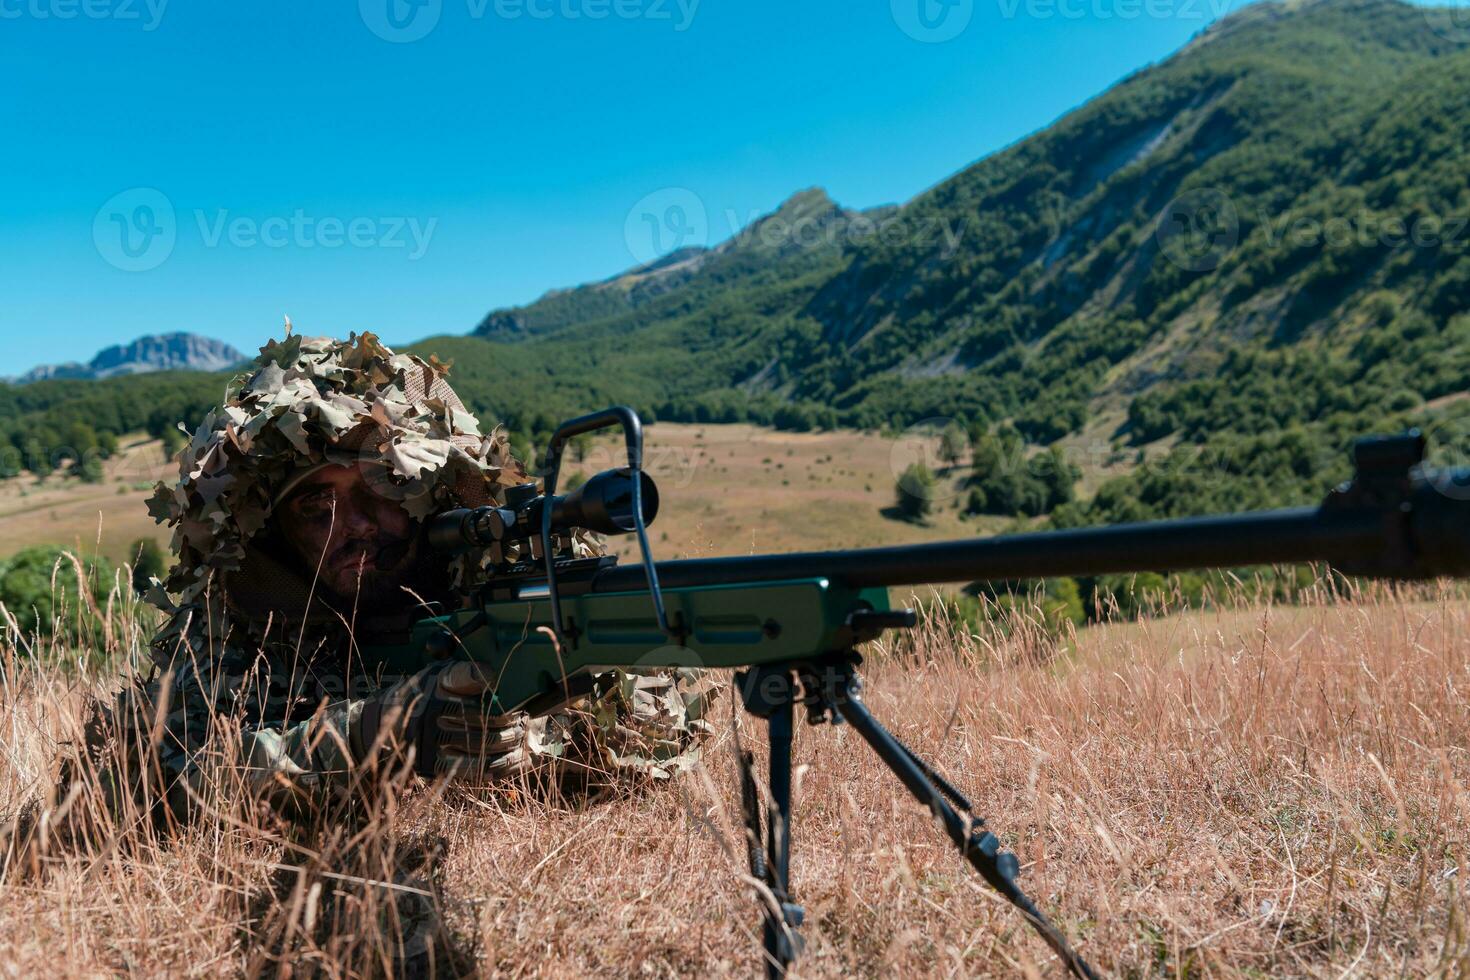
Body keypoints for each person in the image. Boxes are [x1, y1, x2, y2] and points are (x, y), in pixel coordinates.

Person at [96, 330, 714, 821]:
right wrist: (380, 730)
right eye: (315, 508)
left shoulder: (505, 576)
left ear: (430, 496)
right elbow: (155, 782)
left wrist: (539, 735)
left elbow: (662, 723)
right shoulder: (245, 624)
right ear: (275, 534)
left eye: (381, 490)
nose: (353, 523)